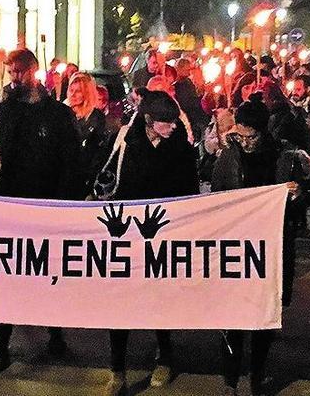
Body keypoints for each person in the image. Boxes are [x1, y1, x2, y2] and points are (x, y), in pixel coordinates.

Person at [0, 48, 80, 374]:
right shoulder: (2, 112)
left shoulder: (58, 115)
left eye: (20, 72)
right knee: (5, 275)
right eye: (10, 73)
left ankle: (54, 331)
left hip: (47, 204)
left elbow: (70, 164)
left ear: (34, 71)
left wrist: (63, 205)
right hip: (9, 203)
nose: (14, 79)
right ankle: (1, 341)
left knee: (48, 274)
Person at [210, 93, 310, 396]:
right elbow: (217, 195)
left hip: (271, 245)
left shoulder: (282, 156)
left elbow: (303, 197)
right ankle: (230, 379)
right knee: (233, 317)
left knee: (263, 315)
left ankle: (257, 373)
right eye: (239, 131)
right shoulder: (228, 155)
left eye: (249, 133)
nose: (243, 138)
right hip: (236, 244)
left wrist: (296, 195)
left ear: (261, 131)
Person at [104, 89, 199, 396]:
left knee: (160, 301)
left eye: (174, 121)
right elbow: (105, 180)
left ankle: (165, 357)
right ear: (148, 120)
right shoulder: (124, 143)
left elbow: (189, 191)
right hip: (128, 235)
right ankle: (117, 369)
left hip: (163, 235)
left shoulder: (181, 149)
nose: (172, 126)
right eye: (165, 122)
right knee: (119, 305)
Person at [66, 73, 107, 198]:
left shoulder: (97, 117)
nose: (73, 94)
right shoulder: (63, 113)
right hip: (66, 172)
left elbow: (97, 151)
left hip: (86, 175)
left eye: (78, 91)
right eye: (71, 90)